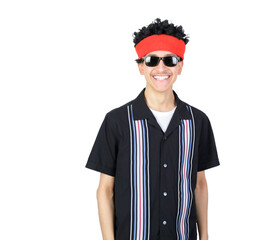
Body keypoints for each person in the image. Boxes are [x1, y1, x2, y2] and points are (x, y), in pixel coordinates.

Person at [85, 18, 220, 240]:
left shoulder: (198, 121)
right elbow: (105, 190)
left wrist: (204, 236)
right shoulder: (117, 121)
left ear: (180, 66)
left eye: (169, 60)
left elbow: (200, 185)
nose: (161, 68)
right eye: (151, 60)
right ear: (140, 66)